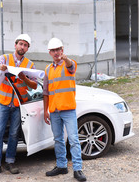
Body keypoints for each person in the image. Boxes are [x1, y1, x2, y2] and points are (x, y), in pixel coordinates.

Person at [0, 34, 37, 176]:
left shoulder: (30, 65)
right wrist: (0, 67)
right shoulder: (5, 58)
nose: (22, 47)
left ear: (27, 48)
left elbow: (34, 85)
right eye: (20, 44)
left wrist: (24, 78)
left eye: (25, 45)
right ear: (15, 45)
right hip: (3, 102)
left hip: (18, 104)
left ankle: (10, 162)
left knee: (14, 134)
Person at [43, 38, 87, 181]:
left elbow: (70, 67)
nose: (56, 53)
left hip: (68, 109)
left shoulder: (70, 64)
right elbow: (46, 92)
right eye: (53, 50)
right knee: (58, 140)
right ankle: (61, 166)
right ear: (49, 52)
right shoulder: (48, 70)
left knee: (73, 139)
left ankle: (77, 169)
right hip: (54, 110)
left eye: (58, 50)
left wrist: (66, 59)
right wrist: (45, 111)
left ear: (62, 50)